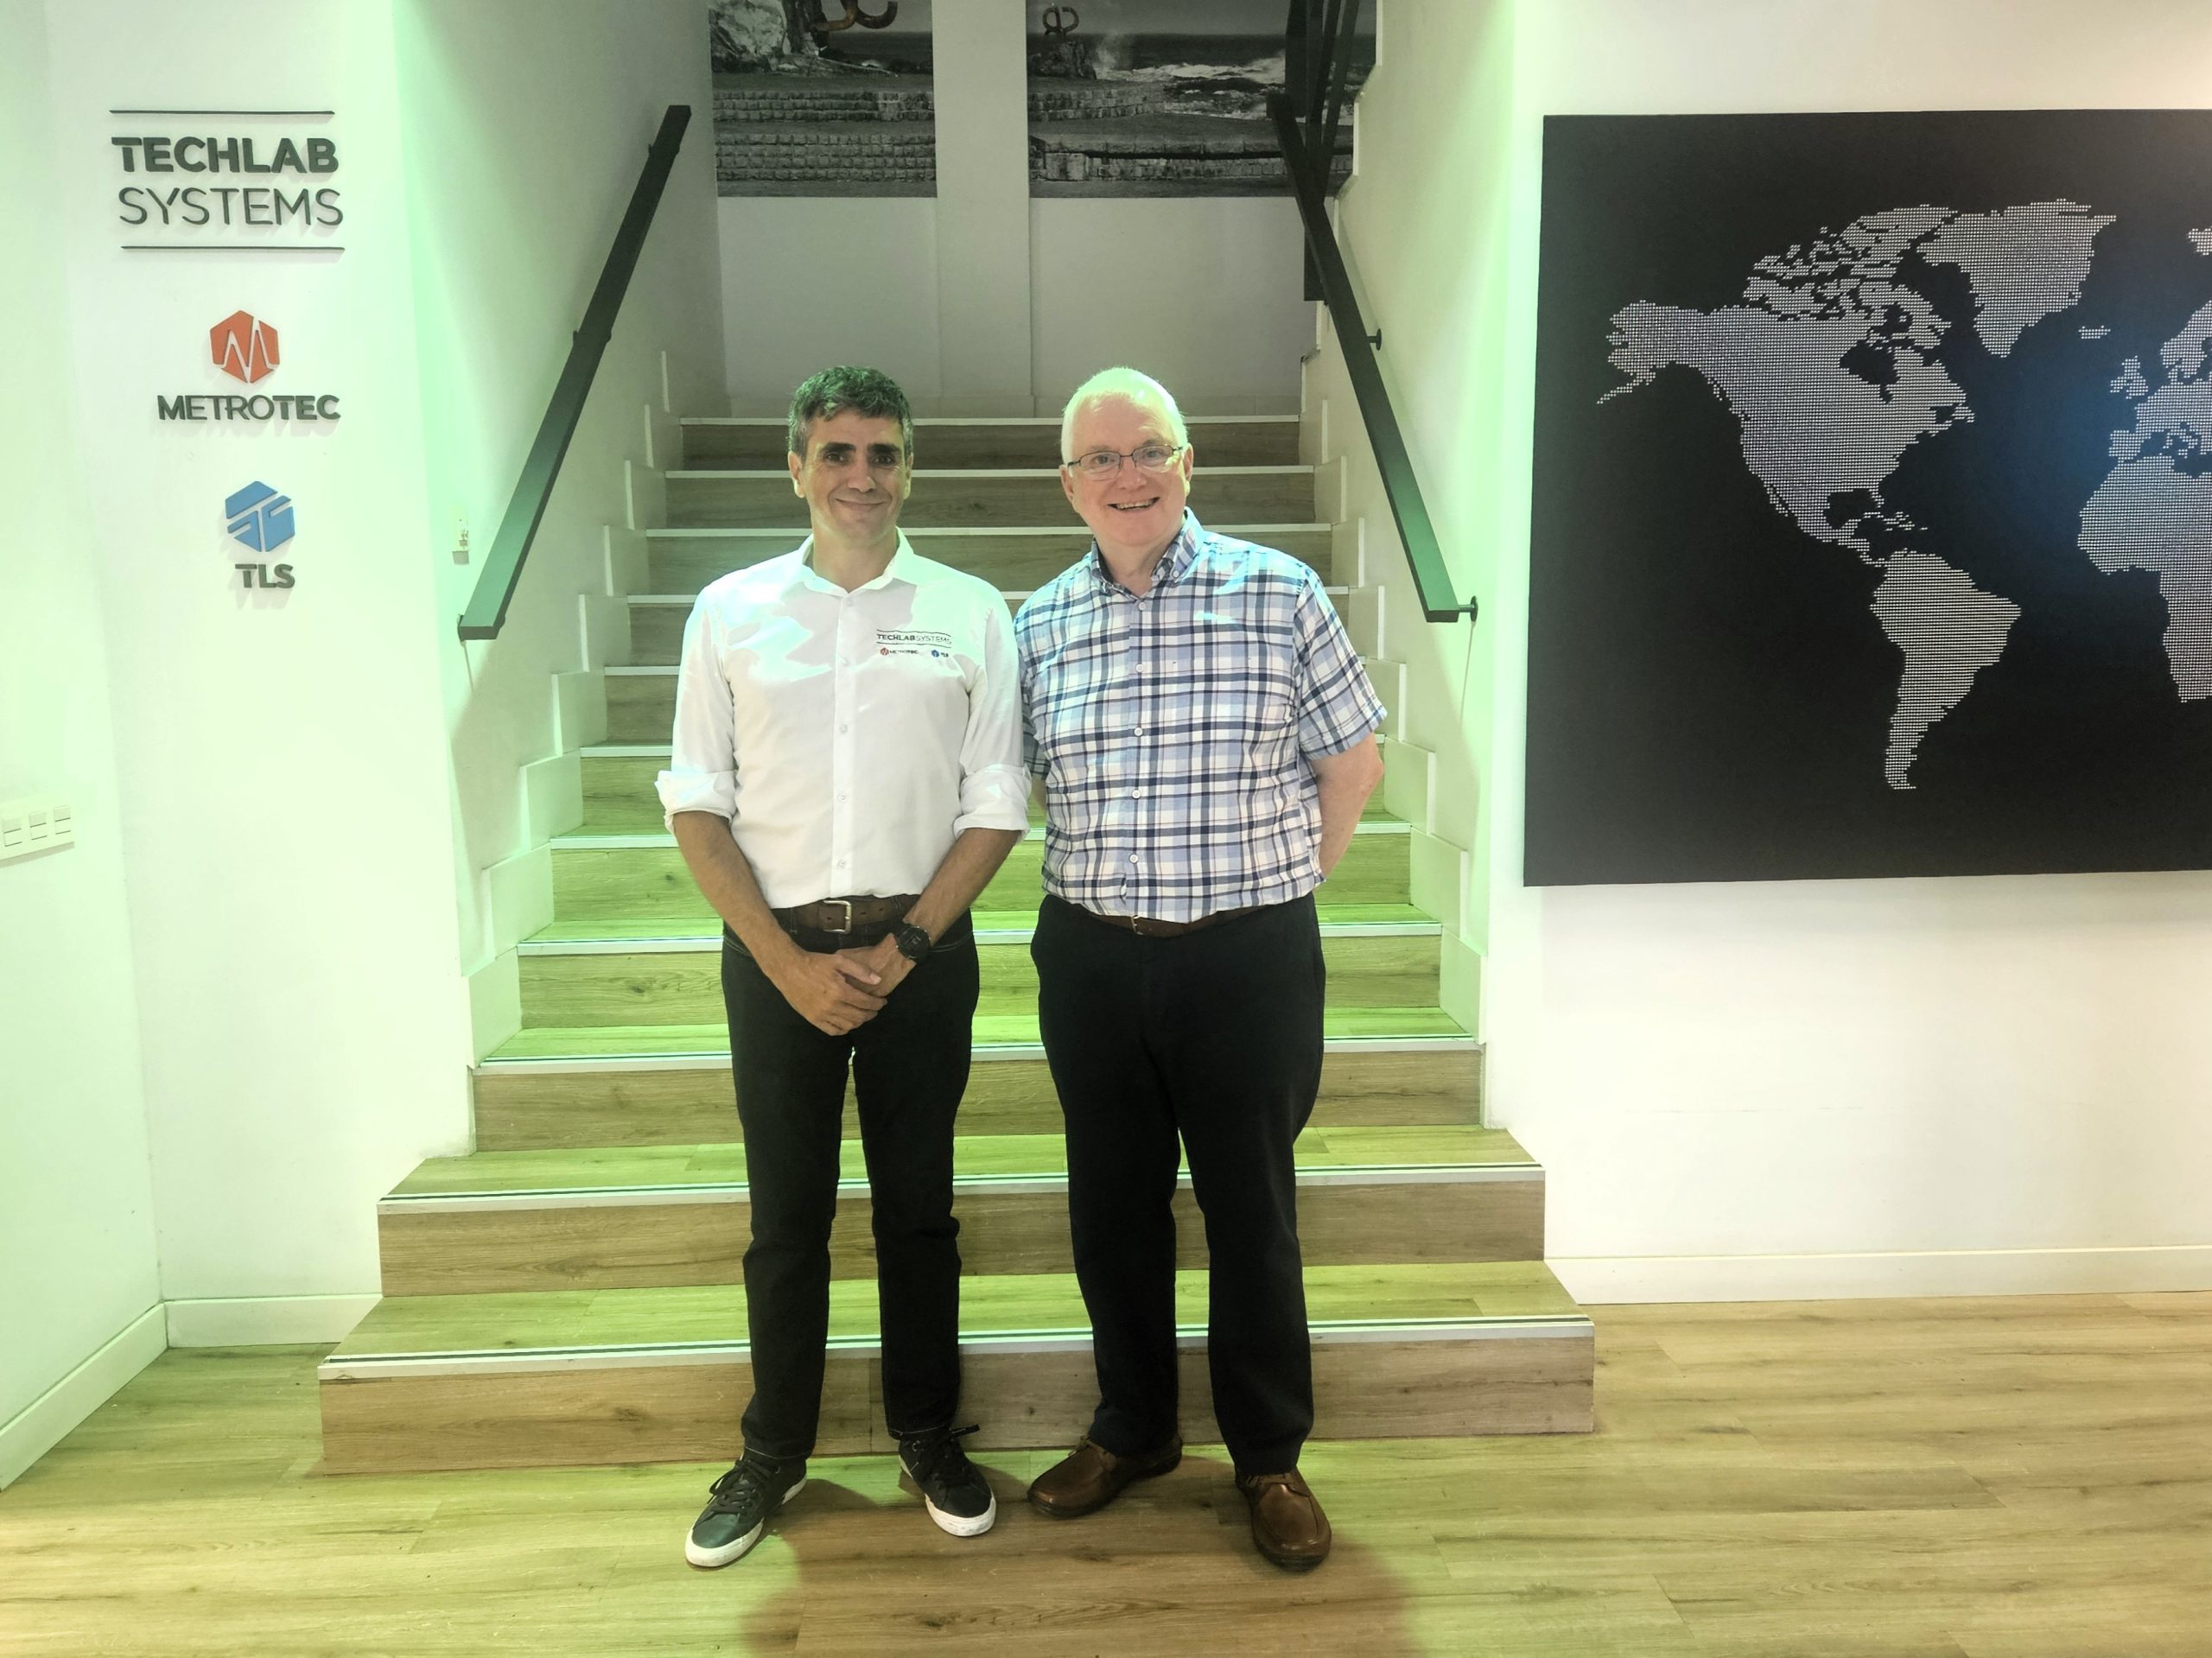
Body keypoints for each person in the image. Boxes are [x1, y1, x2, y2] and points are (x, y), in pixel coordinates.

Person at [1014, 366, 1387, 1571]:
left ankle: (1267, 1457)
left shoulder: (1278, 592)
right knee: (1110, 1207)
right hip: (1092, 959)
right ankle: (1134, 1430)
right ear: (1070, 484)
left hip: (1247, 960)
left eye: (1149, 451)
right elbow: (1017, 785)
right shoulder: (1035, 626)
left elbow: (1353, 762)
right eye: (1102, 458)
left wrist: (1288, 886)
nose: (1128, 476)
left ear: (1188, 463)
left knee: (1251, 1211)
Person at [658, 365, 1028, 1568]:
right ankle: (774, 1450)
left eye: (883, 453)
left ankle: (926, 1432)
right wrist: (784, 964)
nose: (861, 476)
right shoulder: (730, 612)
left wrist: (906, 945)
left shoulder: (972, 610)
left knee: (919, 1213)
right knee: (787, 1220)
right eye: (837, 452)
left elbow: (996, 801)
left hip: (923, 952)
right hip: (776, 957)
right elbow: (697, 805)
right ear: (797, 467)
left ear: (909, 467)